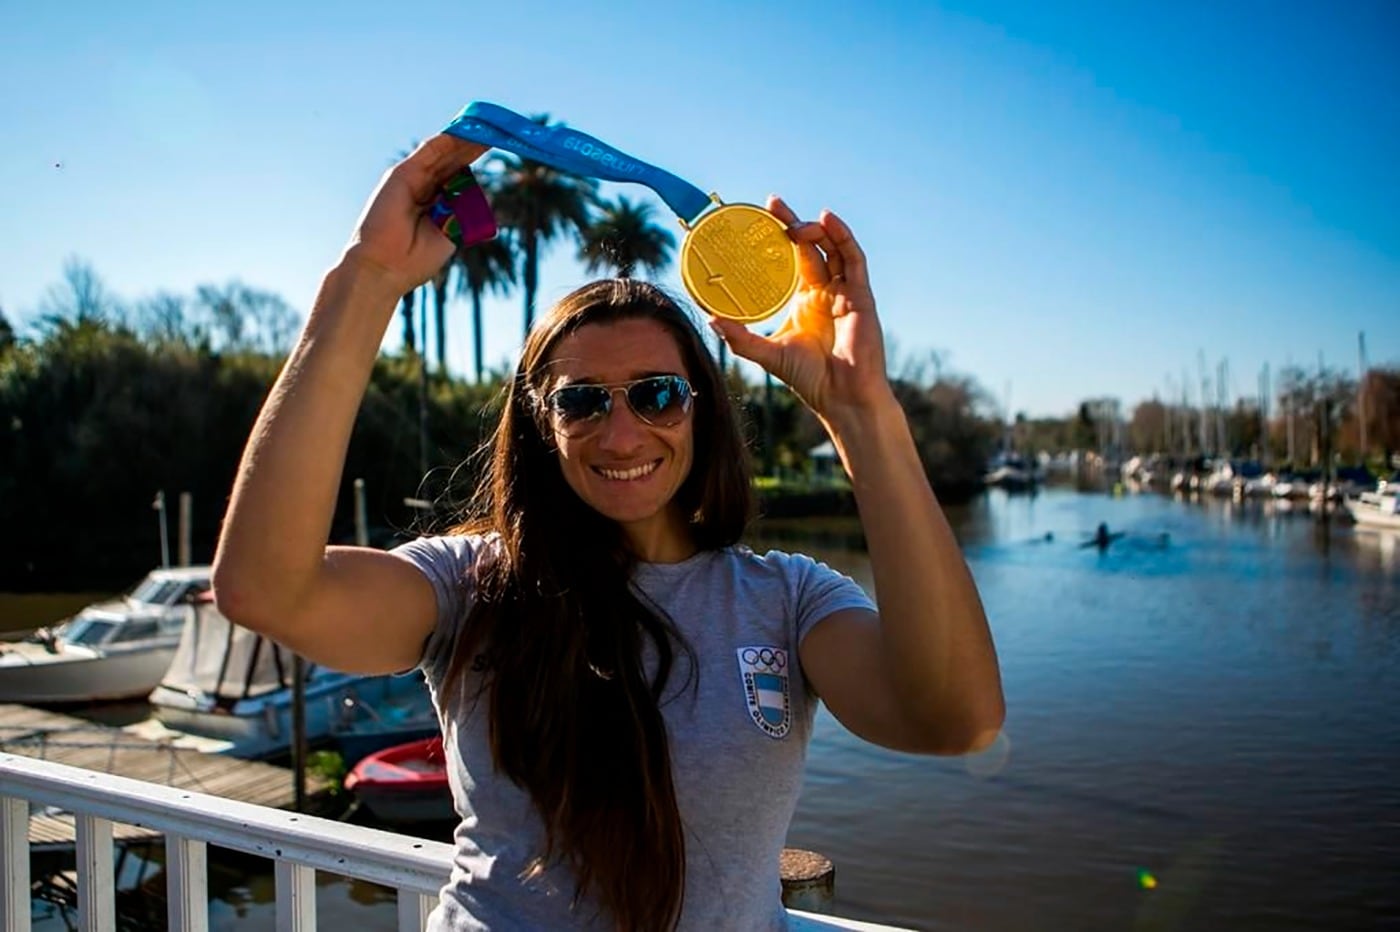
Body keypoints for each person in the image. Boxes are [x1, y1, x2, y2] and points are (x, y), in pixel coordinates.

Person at [212, 133, 1004, 931]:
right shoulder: (471, 587)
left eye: (656, 395)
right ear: (542, 425)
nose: (622, 436)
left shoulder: (789, 600)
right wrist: (368, 276)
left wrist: (862, 413)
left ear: (700, 410)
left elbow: (955, 718)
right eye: (582, 401)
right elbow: (266, 590)